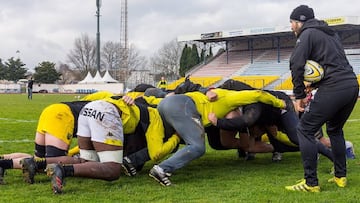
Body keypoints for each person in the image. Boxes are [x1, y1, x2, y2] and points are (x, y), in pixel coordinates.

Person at [285, 5, 359, 192]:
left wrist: (300, 95)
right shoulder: (331, 34)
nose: (292, 27)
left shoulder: (307, 34)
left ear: (299, 22)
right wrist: (315, 85)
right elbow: (331, 65)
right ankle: (340, 177)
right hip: (351, 84)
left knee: (304, 129)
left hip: (334, 87)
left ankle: (311, 183)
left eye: (292, 23)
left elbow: (296, 64)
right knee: (334, 129)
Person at [148, 87, 287, 186]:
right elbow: (258, 94)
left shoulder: (213, 100)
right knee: (197, 147)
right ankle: (162, 169)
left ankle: (133, 161)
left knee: (164, 142)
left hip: (167, 104)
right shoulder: (229, 97)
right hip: (183, 105)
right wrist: (280, 103)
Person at [0, 91, 114, 185]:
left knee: (38, 159)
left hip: (51, 110)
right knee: (52, 163)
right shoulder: (112, 111)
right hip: (63, 117)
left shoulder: (105, 95)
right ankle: (3, 163)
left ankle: (3, 158)